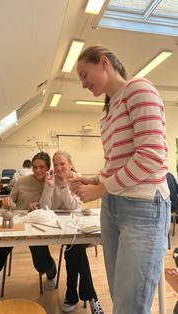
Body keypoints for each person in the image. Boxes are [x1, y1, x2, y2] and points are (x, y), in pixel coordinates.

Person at [70, 45, 170, 314]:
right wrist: (89, 179)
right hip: (113, 208)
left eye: (83, 74)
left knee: (130, 304)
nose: (82, 84)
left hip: (143, 209)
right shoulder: (109, 110)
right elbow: (116, 165)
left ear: (103, 62)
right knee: (121, 298)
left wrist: (101, 189)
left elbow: (150, 157)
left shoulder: (139, 88)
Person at [0, 152, 56, 310]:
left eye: (42, 167)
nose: (38, 170)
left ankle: (51, 272)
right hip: (15, 226)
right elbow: (10, 203)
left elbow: (50, 208)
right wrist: (8, 203)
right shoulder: (21, 181)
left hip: (36, 227)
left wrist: (38, 207)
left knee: (41, 262)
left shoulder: (51, 182)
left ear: (48, 168)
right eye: (35, 167)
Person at [39, 151, 104, 314]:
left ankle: (72, 295)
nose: (59, 168)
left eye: (63, 163)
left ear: (70, 164)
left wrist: (63, 187)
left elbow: (73, 207)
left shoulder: (77, 178)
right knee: (75, 250)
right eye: (56, 164)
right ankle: (91, 297)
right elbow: (45, 207)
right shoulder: (50, 178)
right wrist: (49, 187)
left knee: (74, 250)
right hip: (58, 228)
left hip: (78, 226)